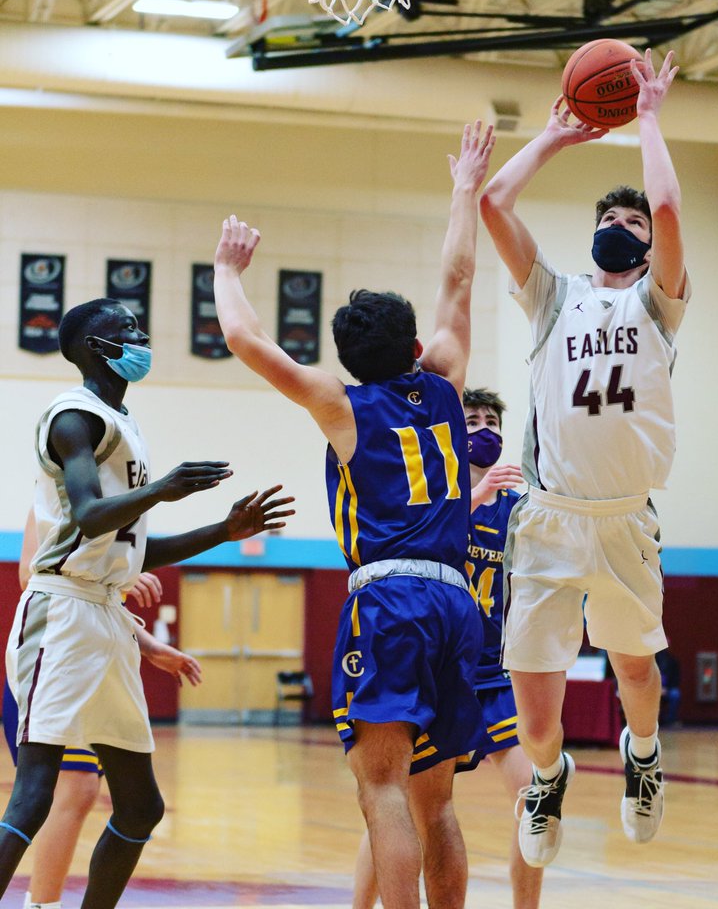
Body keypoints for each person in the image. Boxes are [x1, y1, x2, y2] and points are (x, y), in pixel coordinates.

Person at [213, 121, 496, 909]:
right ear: (413, 346)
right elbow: (460, 278)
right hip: (459, 599)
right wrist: (463, 187)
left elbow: (242, 337)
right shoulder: (444, 382)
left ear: (347, 358)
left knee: (383, 792)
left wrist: (226, 268)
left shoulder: (342, 405)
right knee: (438, 801)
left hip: (393, 599)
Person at [0, 298, 294, 909]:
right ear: (89, 346)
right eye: (123, 330)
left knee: (141, 805)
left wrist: (223, 531)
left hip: (105, 614)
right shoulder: (72, 417)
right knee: (35, 795)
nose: (139, 336)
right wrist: (162, 490)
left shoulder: (122, 424)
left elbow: (134, 550)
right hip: (60, 612)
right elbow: (86, 514)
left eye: (139, 325)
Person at [479, 49, 689, 867]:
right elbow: (495, 201)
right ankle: (547, 774)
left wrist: (646, 118)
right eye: (614, 219)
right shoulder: (553, 296)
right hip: (547, 519)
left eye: (632, 225)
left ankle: (642, 754)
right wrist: (557, 137)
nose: (623, 227)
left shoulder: (659, 300)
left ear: (644, 247)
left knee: (636, 673)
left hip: (624, 520)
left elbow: (667, 202)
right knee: (535, 714)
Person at [351, 386, 543, 909]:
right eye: (471, 419)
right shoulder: (432, 491)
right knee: (398, 803)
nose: (483, 428)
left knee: (539, 797)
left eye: (491, 421)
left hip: (499, 673)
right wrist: (475, 498)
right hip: (441, 664)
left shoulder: (521, 508)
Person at [2, 509, 202, 909]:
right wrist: (122, 575)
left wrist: (147, 646)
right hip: (54, 655)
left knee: (128, 802)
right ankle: (42, 903)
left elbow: (105, 601)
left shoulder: (125, 503)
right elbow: (30, 573)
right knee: (74, 789)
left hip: (97, 655)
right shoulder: (63, 492)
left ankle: (43, 902)